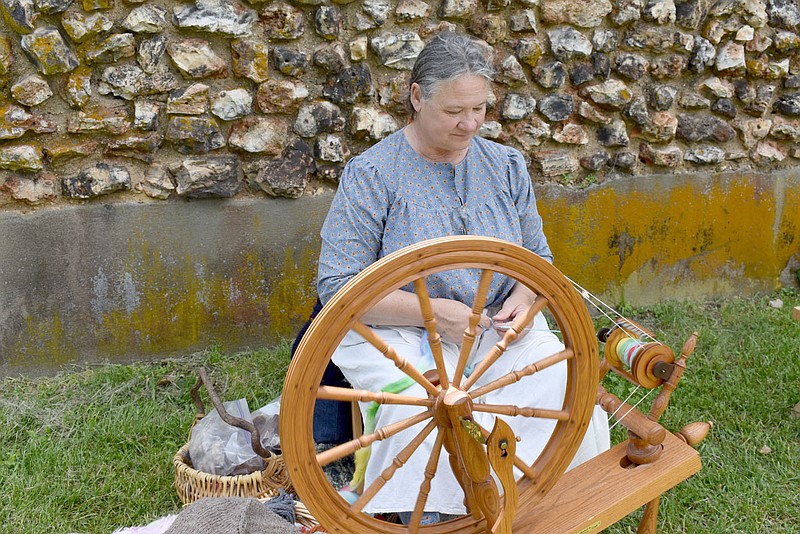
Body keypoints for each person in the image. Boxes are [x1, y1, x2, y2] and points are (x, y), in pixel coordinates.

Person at [315, 32, 609, 524]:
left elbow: (536, 259)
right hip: (399, 332)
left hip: (497, 330)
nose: (470, 123)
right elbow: (338, 287)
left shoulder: (506, 166)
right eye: (454, 111)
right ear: (416, 96)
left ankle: (546, 509)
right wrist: (435, 314)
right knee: (425, 410)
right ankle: (438, 519)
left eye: (480, 108)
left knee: (564, 383)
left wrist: (522, 296)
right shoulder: (372, 175)